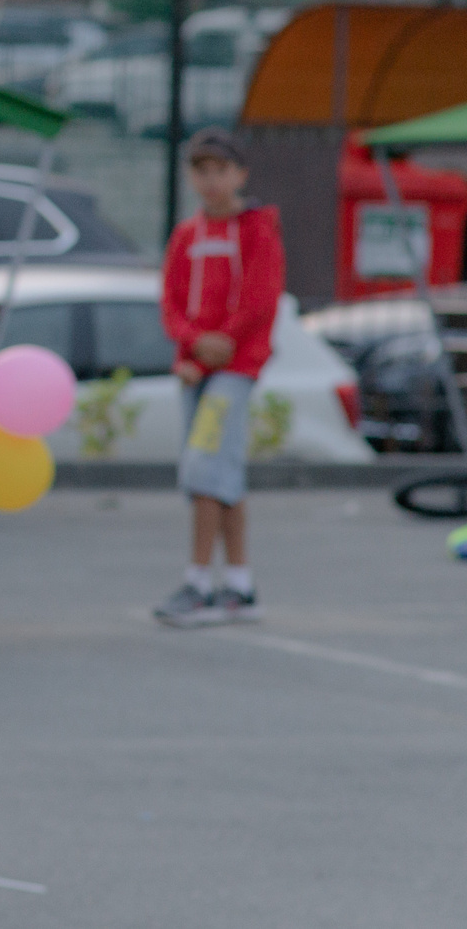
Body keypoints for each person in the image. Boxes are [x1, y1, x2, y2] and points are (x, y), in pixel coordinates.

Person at [152, 127, 284, 628]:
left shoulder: (257, 229)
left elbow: (258, 300)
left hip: (234, 370)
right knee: (220, 474)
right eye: (201, 171)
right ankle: (241, 586)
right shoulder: (187, 235)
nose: (211, 181)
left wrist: (211, 349)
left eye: (220, 170)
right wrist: (190, 345)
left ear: (240, 175)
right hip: (196, 370)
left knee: (205, 470)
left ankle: (199, 583)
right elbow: (171, 302)